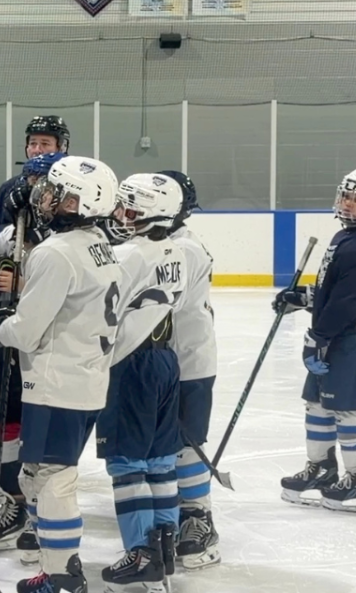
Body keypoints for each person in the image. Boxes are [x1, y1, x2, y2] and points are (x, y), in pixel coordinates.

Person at [0, 156, 122, 593]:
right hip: (86, 380)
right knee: (38, 476)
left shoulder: (56, 252)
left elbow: (25, 332)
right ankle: (56, 564)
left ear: (84, 202)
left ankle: (61, 575)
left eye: (60, 194)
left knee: (51, 478)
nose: (48, 199)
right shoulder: (99, 243)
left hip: (55, 383)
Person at [0, 152, 64, 559]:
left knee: (43, 437)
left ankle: (41, 515)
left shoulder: (64, 242)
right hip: (9, 343)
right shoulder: (8, 237)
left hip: (51, 350)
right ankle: (14, 499)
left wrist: (23, 280)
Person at [277, 167, 356, 515]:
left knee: (346, 407)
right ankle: (322, 469)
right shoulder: (344, 237)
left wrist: (318, 337)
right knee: (317, 403)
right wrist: (303, 296)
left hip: (354, 338)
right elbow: (333, 291)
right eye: (346, 195)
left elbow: (348, 300)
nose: (348, 203)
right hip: (337, 334)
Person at [96, 173, 186, 592]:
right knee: (160, 461)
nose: (119, 214)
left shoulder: (130, 255)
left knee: (129, 463)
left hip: (132, 365)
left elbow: (102, 309)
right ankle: (164, 548)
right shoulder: (176, 250)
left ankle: (140, 554)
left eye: (129, 207)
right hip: (166, 358)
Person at [160, 171, 222, 570]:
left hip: (188, 362)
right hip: (166, 362)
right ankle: (171, 513)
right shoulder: (161, 243)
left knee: (186, 441)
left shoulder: (183, 248)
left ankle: (198, 516)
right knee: (165, 443)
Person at [0, 116, 69, 235]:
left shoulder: (73, 187)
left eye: (45, 144)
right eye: (33, 143)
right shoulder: (9, 188)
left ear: (61, 148)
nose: (37, 150)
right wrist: (14, 233)